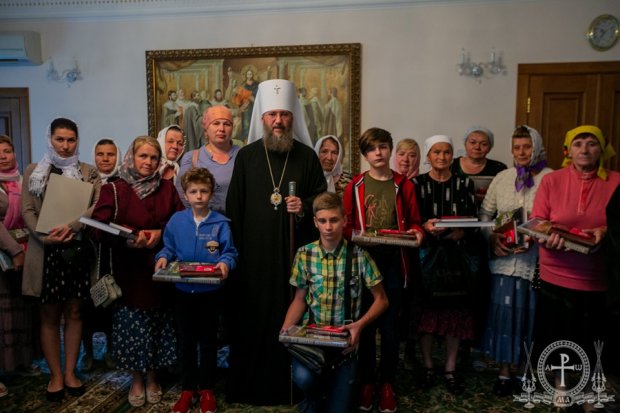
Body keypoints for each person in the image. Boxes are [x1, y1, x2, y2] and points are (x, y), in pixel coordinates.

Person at [225, 78, 327, 405]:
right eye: (272, 115)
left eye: (284, 114)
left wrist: (304, 206)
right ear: (263, 118)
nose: (278, 121)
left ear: (292, 117)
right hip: (254, 259)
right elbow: (234, 208)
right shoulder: (247, 157)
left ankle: (292, 387)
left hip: (293, 257)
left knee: (292, 316)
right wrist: (237, 255)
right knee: (253, 319)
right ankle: (250, 387)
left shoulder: (307, 157)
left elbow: (322, 202)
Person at [90, 136, 183, 407]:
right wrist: (128, 237)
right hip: (128, 270)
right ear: (132, 157)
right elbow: (97, 227)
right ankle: (136, 379)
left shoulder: (167, 188)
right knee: (132, 327)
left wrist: (160, 234)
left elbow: (180, 222)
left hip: (159, 269)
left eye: (154, 157)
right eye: (143, 156)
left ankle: (153, 378)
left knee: (157, 325)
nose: (148, 162)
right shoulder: (114, 189)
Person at [531, 125, 620, 406]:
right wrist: (548, 234)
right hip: (556, 272)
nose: (584, 149)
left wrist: (605, 231)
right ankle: (561, 387)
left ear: (602, 149)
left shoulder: (617, 182)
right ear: (568, 150)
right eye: (578, 143)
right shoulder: (551, 180)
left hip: (599, 276)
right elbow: (537, 220)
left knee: (595, 337)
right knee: (559, 334)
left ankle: (591, 392)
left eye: (591, 143)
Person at [281, 191, 389, 413]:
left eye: (334, 220)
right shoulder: (305, 254)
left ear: (344, 220)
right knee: (303, 379)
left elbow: (382, 300)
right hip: (312, 342)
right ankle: (313, 397)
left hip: (344, 347)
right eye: (322, 221)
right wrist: (286, 330)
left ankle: (330, 394)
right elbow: (299, 299)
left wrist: (359, 325)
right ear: (315, 222)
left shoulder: (359, 255)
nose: (328, 227)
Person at [343, 127, 424, 412]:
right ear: (364, 155)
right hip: (364, 263)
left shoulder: (405, 185)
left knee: (390, 327)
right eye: (371, 149)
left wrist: (417, 233)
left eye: (383, 147)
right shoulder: (355, 186)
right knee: (365, 325)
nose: (378, 153)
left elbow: (415, 222)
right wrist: (356, 235)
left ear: (390, 149)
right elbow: (346, 226)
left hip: (394, 264)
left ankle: (388, 382)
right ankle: (366, 381)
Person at [21, 118, 102, 402]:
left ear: (77, 141)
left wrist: (72, 226)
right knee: (49, 315)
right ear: (50, 139)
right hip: (46, 251)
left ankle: (70, 372)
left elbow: (96, 206)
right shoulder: (34, 171)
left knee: (75, 312)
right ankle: (55, 375)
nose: (65, 146)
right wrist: (43, 237)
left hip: (75, 249)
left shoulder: (89, 172)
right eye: (60, 139)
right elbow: (27, 209)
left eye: (71, 140)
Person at [155, 167, 238, 413]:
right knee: (186, 341)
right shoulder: (176, 221)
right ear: (185, 194)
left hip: (209, 293)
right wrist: (162, 257)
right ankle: (187, 389)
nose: (199, 196)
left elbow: (229, 252)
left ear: (211, 193)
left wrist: (225, 263)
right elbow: (168, 248)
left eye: (203, 191)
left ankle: (207, 389)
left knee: (209, 341)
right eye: (193, 192)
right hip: (182, 292)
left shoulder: (221, 223)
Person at [478, 125, 553, 396]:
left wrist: (538, 234)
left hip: (536, 263)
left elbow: (557, 218)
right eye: (517, 147)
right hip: (503, 261)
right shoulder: (502, 177)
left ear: (537, 147)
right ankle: (504, 372)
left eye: (527, 147)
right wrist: (492, 238)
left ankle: (525, 372)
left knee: (529, 318)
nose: (521, 152)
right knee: (503, 317)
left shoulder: (551, 178)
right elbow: (485, 215)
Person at [413, 135, 478, 396]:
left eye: (447, 152)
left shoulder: (464, 182)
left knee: (455, 314)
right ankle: (429, 365)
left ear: (453, 155)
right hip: (426, 258)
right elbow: (410, 218)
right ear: (428, 156)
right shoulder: (416, 184)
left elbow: (475, 219)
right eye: (436, 152)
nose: (442, 157)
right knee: (426, 315)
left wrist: (462, 231)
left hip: (456, 258)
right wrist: (424, 226)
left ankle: (450, 368)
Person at [80, 137, 122, 372]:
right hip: (90, 251)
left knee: (111, 302)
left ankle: (110, 351)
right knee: (87, 305)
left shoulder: (122, 182)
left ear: (117, 156)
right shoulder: (86, 181)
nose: (105, 159)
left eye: (110, 154)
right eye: (100, 154)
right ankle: (87, 353)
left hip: (113, 253)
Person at [0, 135, 33, 398]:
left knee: (20, 310)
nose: (3, 156)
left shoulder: (23, 182)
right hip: (5, 254)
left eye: (7, 151)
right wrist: (14, 251)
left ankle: (20, 363)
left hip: (25, 250)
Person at [176, 106, 240, 214]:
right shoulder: (192, 158)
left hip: (238, 221)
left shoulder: (244, 155)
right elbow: (182, 193)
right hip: (204, 221)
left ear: (232, 128)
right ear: (206, 129)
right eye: (216, 123)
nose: (221, 129)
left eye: (227, 124)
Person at [231, 66, 259, 143]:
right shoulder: (243, 85)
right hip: (245, 107)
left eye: (250, 74)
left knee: (254, 121)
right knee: (246, 122)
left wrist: (251, 97)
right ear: (246, 75)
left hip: (254, 106)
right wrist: (236, 94)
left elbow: (257, 94)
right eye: (248, 74)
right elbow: (239, 97)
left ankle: (255, 138)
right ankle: (246, 139)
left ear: (253, 75)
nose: (249, 75)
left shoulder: (256, 84)